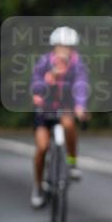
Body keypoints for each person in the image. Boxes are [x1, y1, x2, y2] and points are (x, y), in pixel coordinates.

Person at [31, 26, 89, 208]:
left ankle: (72, 163)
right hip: (45, 110)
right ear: (54, 47)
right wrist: (50, 77)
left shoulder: (77, 64)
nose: (64, 50)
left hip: (65, 108)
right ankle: (38, 186)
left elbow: (81, 85)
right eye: (61, 46)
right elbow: (36, 86)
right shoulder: (44, 63)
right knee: (41, 148)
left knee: (69, 124)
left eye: (68, 47)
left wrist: (80, 106)